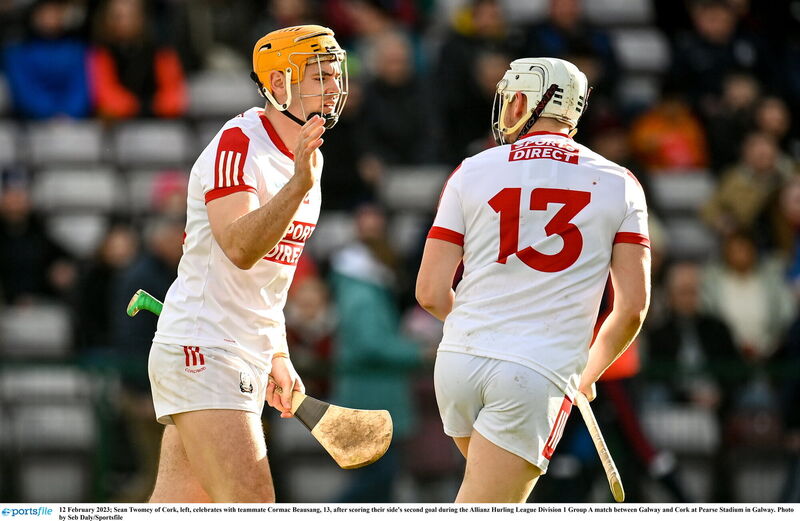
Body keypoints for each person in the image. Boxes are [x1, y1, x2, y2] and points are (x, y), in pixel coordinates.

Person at [415, 57, 650, 502]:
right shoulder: (620, 182)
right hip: (536, 371)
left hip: (458, 363)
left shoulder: (471, 169)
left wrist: (481, 328)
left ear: (521, 101)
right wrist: (588, 373)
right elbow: (632, 309)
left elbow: (429, 293)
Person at [146, 25, 348, 503]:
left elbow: (270, 281)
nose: (334, 88)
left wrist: (276, 353)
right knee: (252, 502)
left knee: (178, 507)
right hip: (205, 347)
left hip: (240, 349)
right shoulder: (238, 145)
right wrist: (296, 186)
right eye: (319, 76)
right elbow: (239, 248)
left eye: (336, 75)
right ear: (278, 84)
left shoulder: (309, 162)